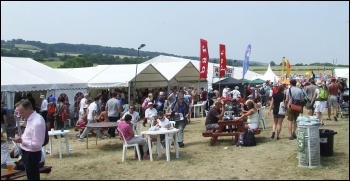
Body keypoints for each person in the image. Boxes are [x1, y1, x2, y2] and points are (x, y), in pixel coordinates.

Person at [11, 99, 46, 180]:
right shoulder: (31, 119)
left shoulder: (36, 122)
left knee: (33, 177)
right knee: (31, 176)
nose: (21, 115)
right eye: (19, 112)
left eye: (22, 112)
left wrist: (22, 141)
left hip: (32, 154)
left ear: (28, 109)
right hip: (27, 153)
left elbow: (37, 144)